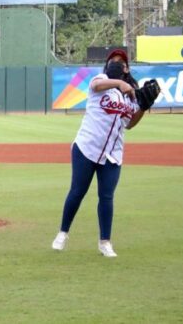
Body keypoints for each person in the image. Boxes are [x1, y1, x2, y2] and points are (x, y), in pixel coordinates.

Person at [51, 49, 146, 257]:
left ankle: (105, 242)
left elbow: (130, 124)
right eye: (113, 60)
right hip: (86, 147)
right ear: (106, 64)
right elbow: (95, 86)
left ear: (127, 68)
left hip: (113, 153)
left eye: (120, 62)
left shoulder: (131, 94)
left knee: (106, 196)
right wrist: (120, 84)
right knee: (77, 191)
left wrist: (144, 106)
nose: (116, 63)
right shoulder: (101, 79)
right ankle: (63, 233)